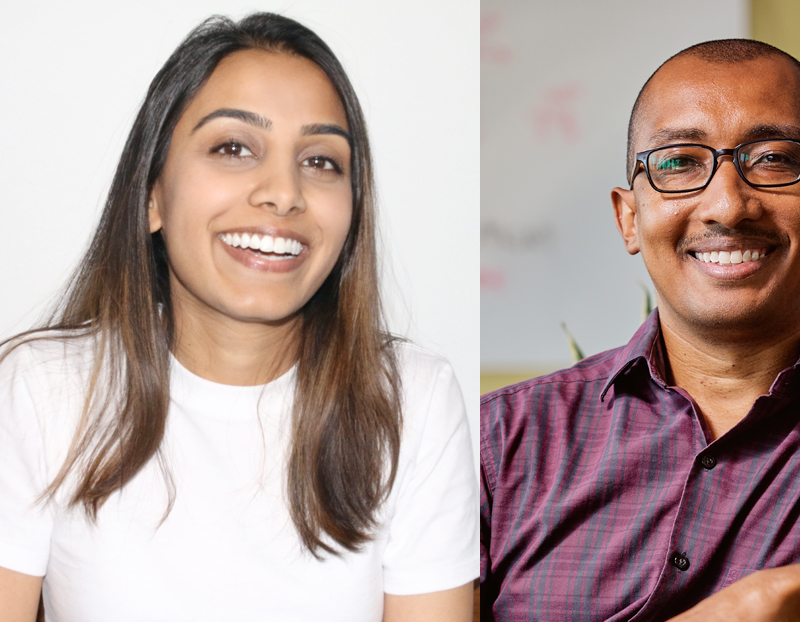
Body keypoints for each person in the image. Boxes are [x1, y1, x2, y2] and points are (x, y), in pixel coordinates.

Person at [0, 13, 477, 622]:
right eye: (233, 148)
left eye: (321, 161)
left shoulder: (412, 399)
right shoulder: (41, 389)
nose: (284, 192)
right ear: (152, 195)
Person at [480, 39, 800, 621]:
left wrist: (777, 599)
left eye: (774, 158)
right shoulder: (500, 445)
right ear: (629, 217)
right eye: (679, 162)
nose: (728, 206)